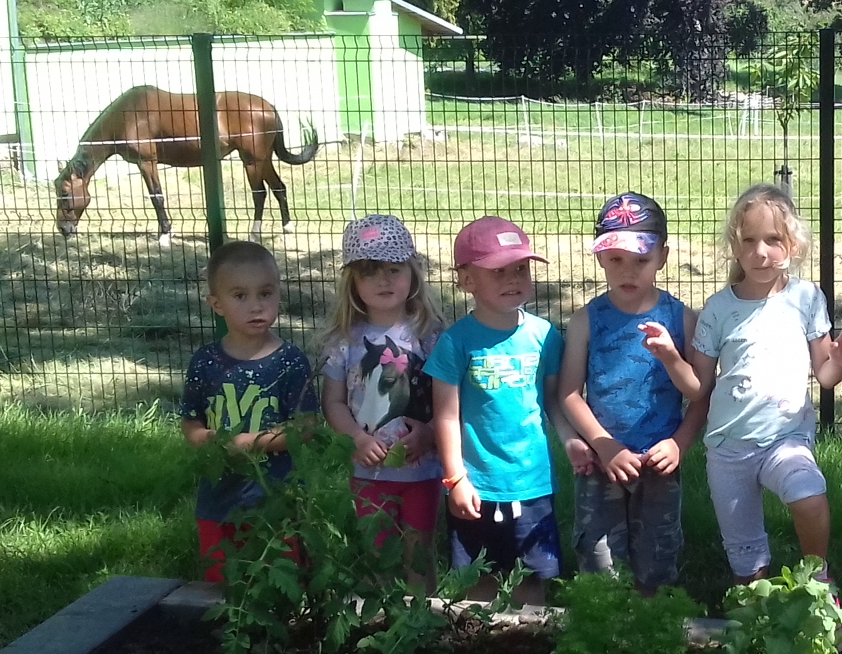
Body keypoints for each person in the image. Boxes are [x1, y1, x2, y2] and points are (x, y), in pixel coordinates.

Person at [690, 182, 842, 583]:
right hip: (729, 448)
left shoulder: (807, 298)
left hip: (787, 438)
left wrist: (839, 359)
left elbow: (825, 376)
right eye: (749, 240)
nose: (760, 252)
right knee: (746, 561)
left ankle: (817, 578)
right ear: (735, 246)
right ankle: (754, 610)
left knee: (809, 495)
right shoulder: (718, 308)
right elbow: (698, 385)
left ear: (793, 245)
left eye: (772, 240)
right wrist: (667, 356)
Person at [557, 193, 707, 594]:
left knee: (657, 562)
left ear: (663, 257)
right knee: (598, 565)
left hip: (659, 464)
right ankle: (601, 629)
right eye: (616, 259)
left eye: (641, 260)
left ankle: (653, 626)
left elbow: (702, 394)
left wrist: (679, 444)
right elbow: (569, 393)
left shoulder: (682, 319)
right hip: (601, 462)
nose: (628, 271)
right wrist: (603, 445)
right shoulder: (586, 320)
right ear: (600, 258)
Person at [425, 216, 565, 607]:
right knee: (478, 583)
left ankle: (529, 641)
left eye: (520, 269)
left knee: (532, 582)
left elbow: (554, 402)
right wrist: (455, 479)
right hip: (477, 486)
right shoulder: (456, 343)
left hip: (532, 484)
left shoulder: (545, 335)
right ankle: (478, 642)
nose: (513, 279)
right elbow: (446, 416)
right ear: (467, 280)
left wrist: (574, 444)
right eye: (498, 271)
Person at [317, 213, 444, 587]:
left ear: (412, 273)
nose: (383, 280)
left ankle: (423, 614)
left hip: (422, 469)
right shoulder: (344, 340)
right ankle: (383, 615)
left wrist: (430, 433)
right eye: (369, 272)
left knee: (419, 552)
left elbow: (449, 401)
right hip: (368, 471)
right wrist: (356, 438)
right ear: (352, 282)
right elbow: (333, 402)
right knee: (377, 552)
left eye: (393, 269)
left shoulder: (431, 336)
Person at [179, 240, 315, 582]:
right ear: (216, 304)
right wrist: (207, 439)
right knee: (221, 584)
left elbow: (305, 426)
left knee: (280, 580)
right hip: (218, 499)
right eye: (240, 296)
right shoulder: (205, 362)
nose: (256, 306)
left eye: (265, 293)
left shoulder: (289, 361)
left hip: (276, 499)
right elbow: (190, 419)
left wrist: (253, 443)